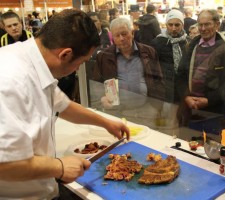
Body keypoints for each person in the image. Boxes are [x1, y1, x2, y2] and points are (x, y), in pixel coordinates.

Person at [0, 9, 129, 199]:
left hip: (44, 186)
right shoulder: (10, 82)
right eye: (81, 62)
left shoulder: (31, 56)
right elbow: (4, 164)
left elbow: (63, 105)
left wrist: (105, 123)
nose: (78, 69)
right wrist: (59, 166)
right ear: (65, 54)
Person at [176, 9, 225, 134]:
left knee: (212, 148)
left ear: (217, 25)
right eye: (200, 24)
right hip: (191, 109)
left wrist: (209, 100)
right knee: (188, 144)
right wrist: (186, 97)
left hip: (215, 112)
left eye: (207, 24)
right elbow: (181, 75)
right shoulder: (191, 46)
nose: (203, 28)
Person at [93, 17, 165, 108]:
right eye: (117, 35)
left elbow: (158, 81)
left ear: (132, 33)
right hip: (116, 111)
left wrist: (157, 107)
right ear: (113, 38)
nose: (121, 38)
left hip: (146, 109)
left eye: (124, 34)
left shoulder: (148, 52)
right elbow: (97, 84)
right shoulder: (104, 56)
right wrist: (102, 98)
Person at [151, 9, 188, 103]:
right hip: (165, 88)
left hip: (184, 88)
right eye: (170, 25)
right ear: (166, 25)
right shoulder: (158, 42)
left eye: (177, 25)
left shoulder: (188, 42)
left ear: (182, 25)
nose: (173, 28)